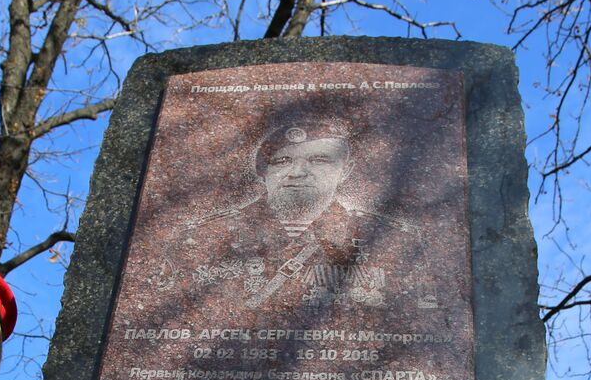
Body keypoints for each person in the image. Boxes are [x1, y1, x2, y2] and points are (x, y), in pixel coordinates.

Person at [181, 117, 429, 310]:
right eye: (282, 161)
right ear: (264, 172)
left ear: (345, 171)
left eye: (319, 160)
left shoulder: (397, 239)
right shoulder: (199, 237)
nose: (297, 172)